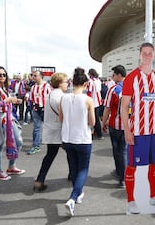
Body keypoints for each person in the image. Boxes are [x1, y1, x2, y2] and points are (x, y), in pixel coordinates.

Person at [121, 42, 155, 214]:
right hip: (138, 131)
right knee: (133, 165)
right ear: (140, 55)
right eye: (145, 53)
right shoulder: (132, 78)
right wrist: (127, 130)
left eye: (150, 53)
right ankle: (130, 201)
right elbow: (124, 106)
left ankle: (153, 196)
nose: (147, 56)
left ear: (154, 56)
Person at [59, 67, 95, 217]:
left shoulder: (64, 98)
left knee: (73, 167)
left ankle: (77, 193)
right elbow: (92, 121)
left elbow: (61, 119)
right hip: (83, 138)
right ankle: (73, 197)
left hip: (67, 138)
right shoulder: (88, 99)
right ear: (86, 84)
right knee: (83, 169)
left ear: (72, 82)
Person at [33, 72, 70, 191]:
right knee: (71, 154)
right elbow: (65, 116)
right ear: (60, 83)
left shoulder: (48, 95)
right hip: (61, 130)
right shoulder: (62, 97)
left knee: (49, 156)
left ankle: (40, 179)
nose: (67, 84)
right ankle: (73, 175)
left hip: (50, 129)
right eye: (66, 81)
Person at [0, 66, 26, 180]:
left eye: (4, 74)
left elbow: (5, 103)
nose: (2, 77)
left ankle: (11, 166)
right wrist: (5, 102)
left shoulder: (3, 88)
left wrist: (13, 101)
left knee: (18, 141)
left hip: (7, 118)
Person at [102, 65, 127, 188]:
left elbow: (107, 108)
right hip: (128, 126)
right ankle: (123, 176)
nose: (112, 77)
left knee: (117, 150)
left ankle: (120, 173)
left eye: (113, 75)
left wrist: (103, 122)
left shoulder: (113, 90)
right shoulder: (133, 88)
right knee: (123, 151)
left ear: (118, 75)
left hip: (114, 124)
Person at [27, 71, 52, 155]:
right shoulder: (33, 87)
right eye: (33, 75)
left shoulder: (47, 86)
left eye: (35, 75)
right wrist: (32, 106)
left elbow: (51, 98)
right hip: (36, 110)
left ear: (41, 76)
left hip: (46, 110)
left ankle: (54, 143)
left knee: (49, 127)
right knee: (36, 128)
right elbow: (31, 98)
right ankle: (36, 146)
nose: (33, 77)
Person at [87, 68, 104, 140]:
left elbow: (89, 92)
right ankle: (98, 133)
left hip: (93, 102)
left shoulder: (91, 81)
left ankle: (98, 133)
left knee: (94, 119)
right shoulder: (98, 80)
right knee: (97, 118)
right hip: (98, 101)